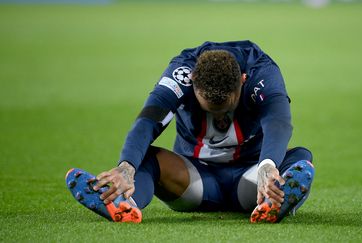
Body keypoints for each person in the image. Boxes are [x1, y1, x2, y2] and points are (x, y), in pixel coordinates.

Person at [66, 40, 315, 223]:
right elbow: (149, 119)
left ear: (242, 80)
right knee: (145, 158)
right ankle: (122, 202)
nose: (220, 119)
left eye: (225, 108)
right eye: (211, 110)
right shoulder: (181, 72)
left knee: (301, 158)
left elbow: (278, 121)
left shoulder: (262, 72)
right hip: (194, 179)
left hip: (253, 176)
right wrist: (126, 167)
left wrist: (267, 166)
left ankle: (272, 201)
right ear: (192, 80)